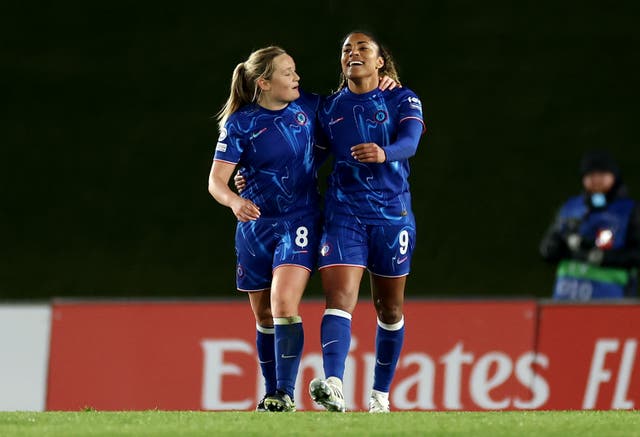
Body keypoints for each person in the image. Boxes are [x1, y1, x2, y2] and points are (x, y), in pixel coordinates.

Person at [307, 31, 426, 413]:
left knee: (389, 309)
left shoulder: (402, 98)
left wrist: (384, 152)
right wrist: (252, 180)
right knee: (339, 298)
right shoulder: (328, 108)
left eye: (362, 48)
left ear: (379, 62)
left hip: (393, 216)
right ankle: (335, 385)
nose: (352, 53)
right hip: (345, 213)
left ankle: (380, 395)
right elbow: (309, 159)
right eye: (346, 49)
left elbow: (410, 143)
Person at [208, 46, 323, 412]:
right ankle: (274, 394)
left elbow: (353, 103)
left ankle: (286, 391)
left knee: (284, 303)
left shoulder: (309, 107)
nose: (297, 78)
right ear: (264, 82)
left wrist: (384, 84)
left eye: (295, 70)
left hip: (299, 219)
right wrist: (234, 201)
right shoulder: (240, 123)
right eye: (288, 73)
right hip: (257, 226)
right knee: (262, 317)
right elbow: (215, 182)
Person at [539, 150, 640, 300]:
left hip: (612, 303)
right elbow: (547, 252)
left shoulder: (630, 211)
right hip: (565, 301)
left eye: (602, 175)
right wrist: (562, 241)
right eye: (591, 175)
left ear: (614, 176)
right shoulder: (571, 208)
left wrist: (602, 257)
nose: (596, 180)